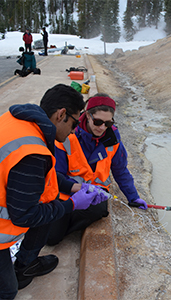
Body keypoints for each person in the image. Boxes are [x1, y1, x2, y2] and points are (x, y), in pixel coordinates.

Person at [0, 84, 108, 297]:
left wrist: (75, 186)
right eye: (75, 122)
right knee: (8, 290)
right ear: (61, 115)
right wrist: (72, 205)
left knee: (49, 203)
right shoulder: (32, 153)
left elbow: (43, 177)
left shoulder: (19, 123)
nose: (75, 130)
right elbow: (24, 216)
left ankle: (26, 264)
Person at [47, 94, 147, 246]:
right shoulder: (67, 135)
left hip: (94, 196)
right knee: (51, 239)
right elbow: (57, 174)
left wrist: (133, 197)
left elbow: (120, 171)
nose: (102, 127)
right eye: (98, 121)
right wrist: (75, 194)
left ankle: (66, 220)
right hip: (66, 194)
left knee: (99, 210)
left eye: (108, 123)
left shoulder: (113, 140)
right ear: (87, 115)